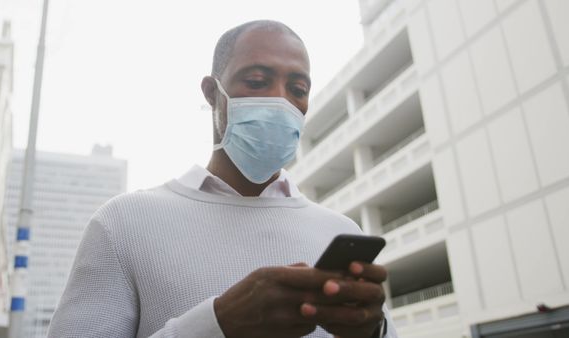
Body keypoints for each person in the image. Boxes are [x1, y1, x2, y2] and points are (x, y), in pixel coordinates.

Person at [47, 20, 397, 338]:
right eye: (257, 82)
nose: (280, 100)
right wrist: (216, 324)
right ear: (212, 93)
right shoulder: (123, 223)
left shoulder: (341, 231)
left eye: (298, 89)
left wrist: (373, 331)